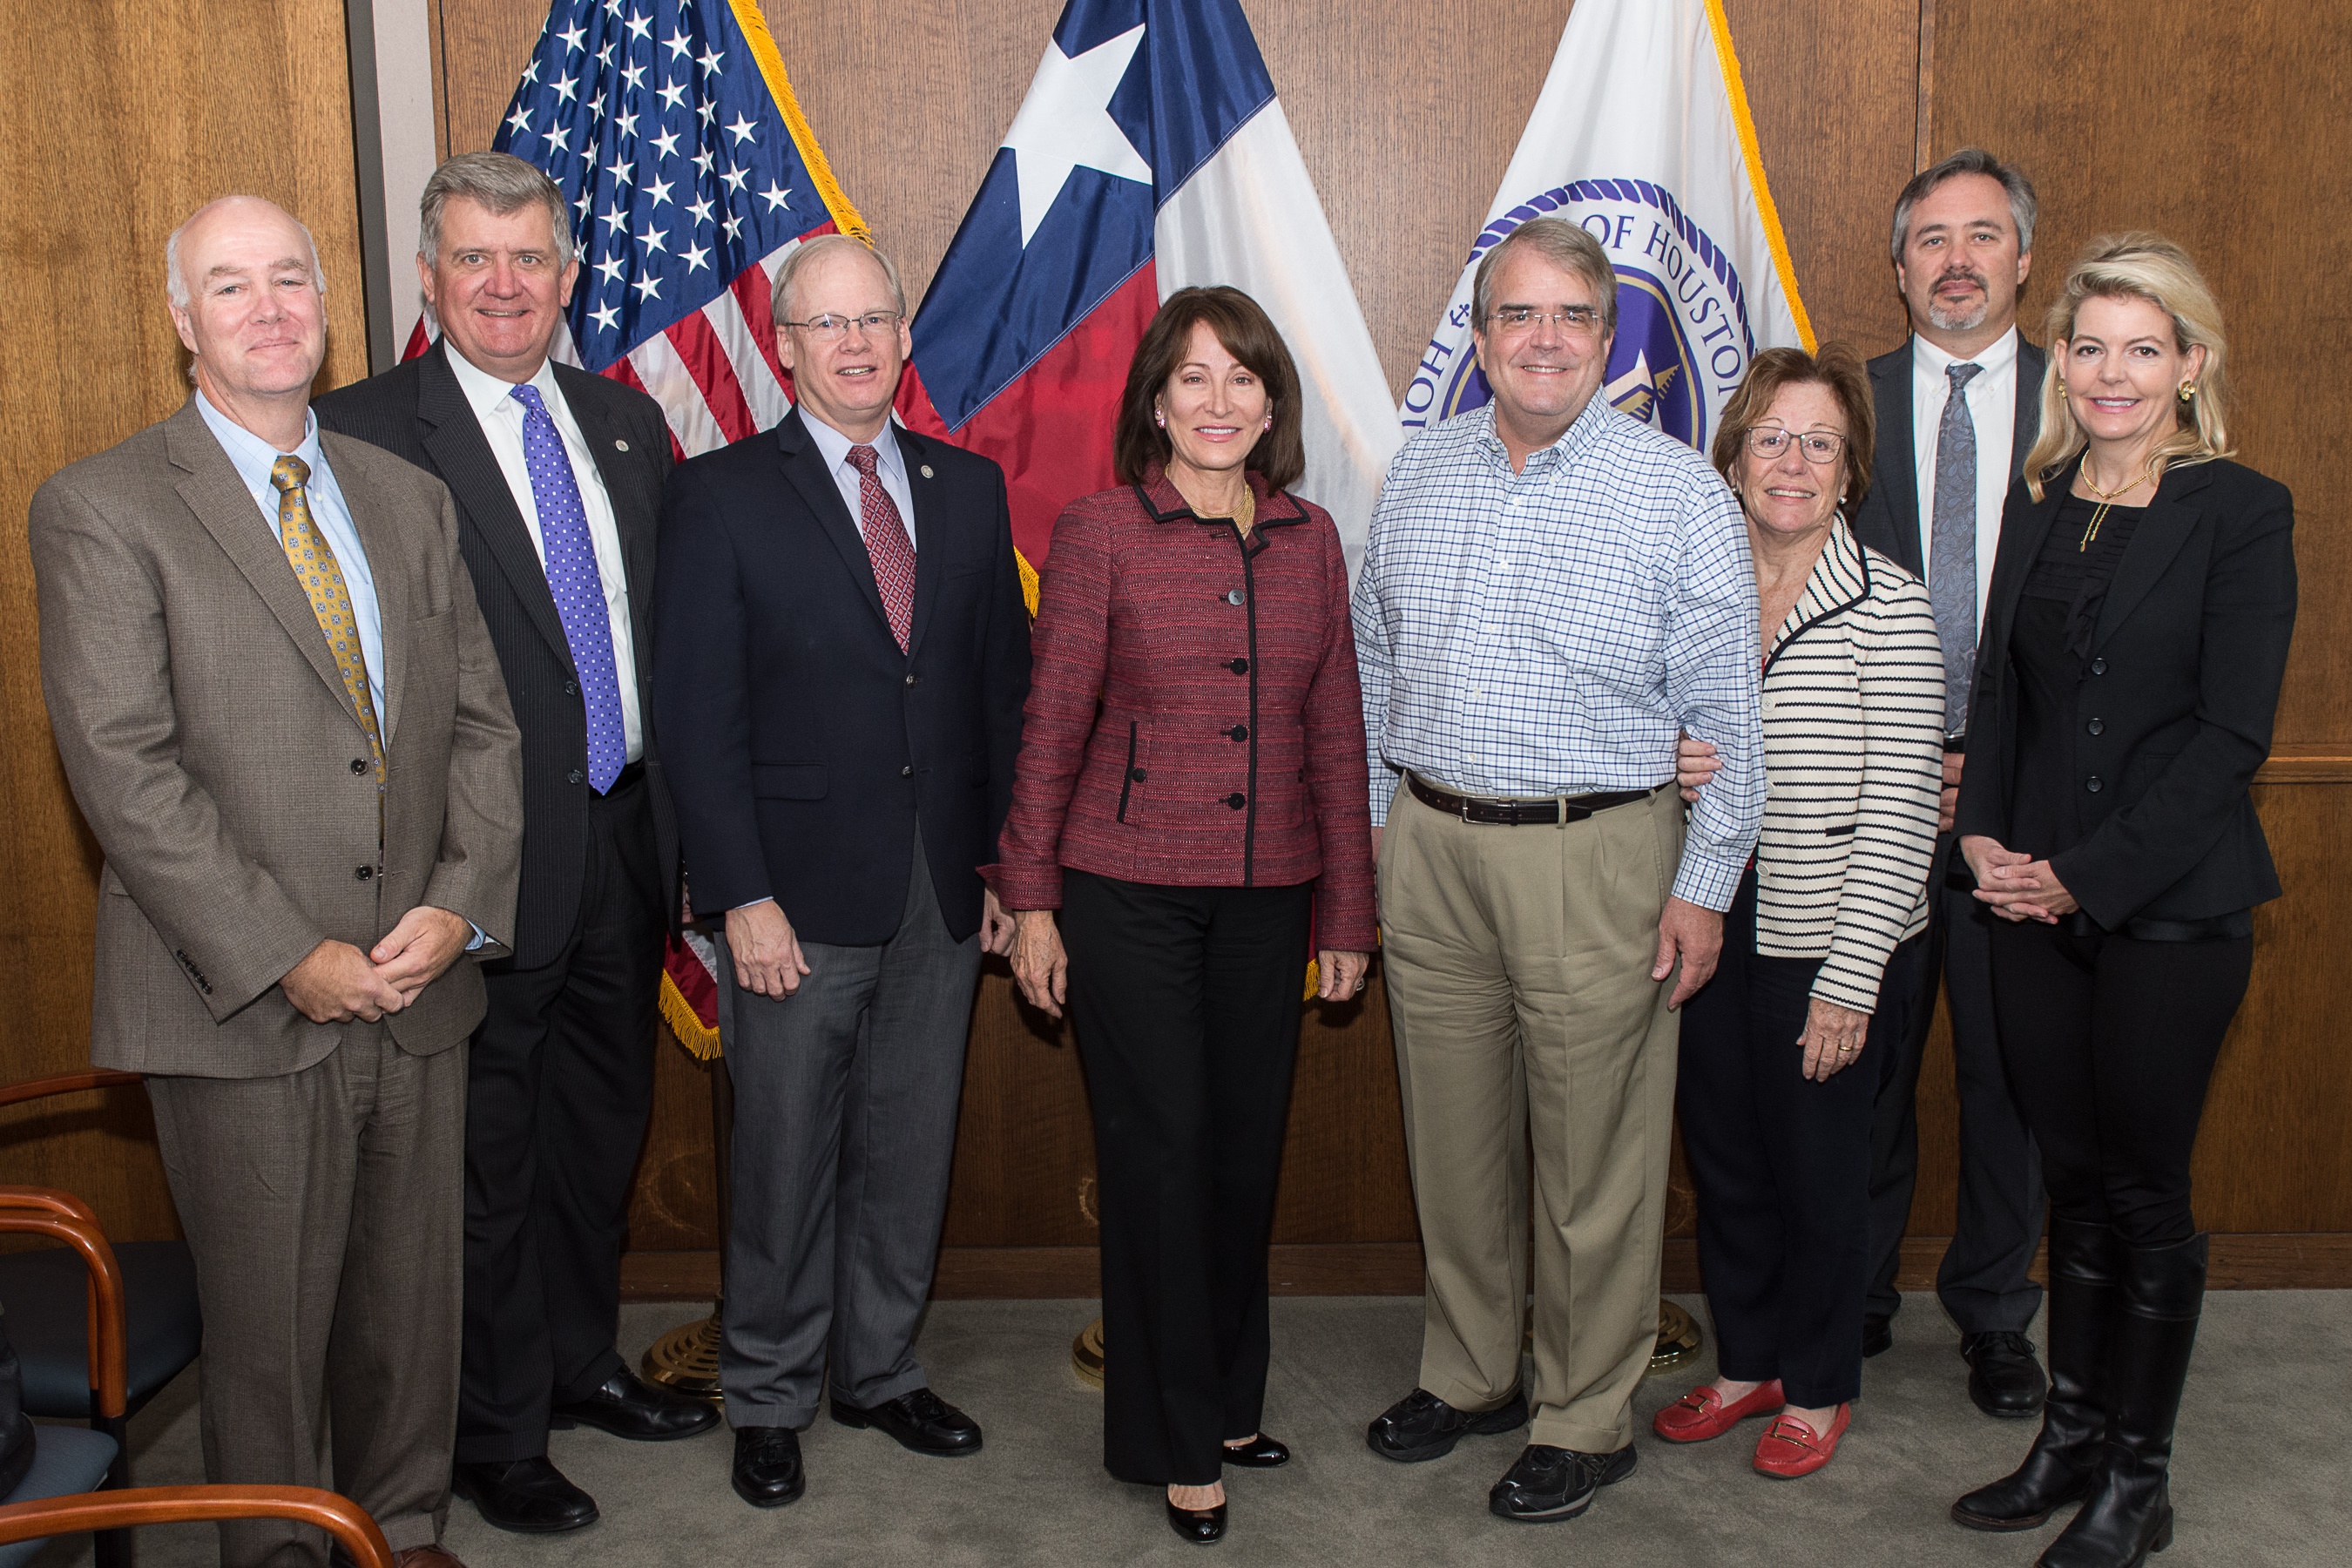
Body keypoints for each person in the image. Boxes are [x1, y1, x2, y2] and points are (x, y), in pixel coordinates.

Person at [30, 195, 524, 1568]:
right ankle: (281, 1555)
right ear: (182, 320)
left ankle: (404, 1533)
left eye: (291, 279)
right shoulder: (102, 507)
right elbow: (126, 775)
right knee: (266, 1335)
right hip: (242, 1004)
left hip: (421, 983)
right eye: (230, 286)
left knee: (408, 1317)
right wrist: (290, 950)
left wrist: (460, 902)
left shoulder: (408, 498)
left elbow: (485, 725)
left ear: (327, 305)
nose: (268, 308)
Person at [315, 151, 717, 1536]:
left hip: (622, 843)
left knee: (599, 1131)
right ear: (428, 276)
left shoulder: (622, 424)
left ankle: (576, 1362)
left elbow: (646, 633)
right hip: (468, 868)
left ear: (570, 276)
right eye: (474, 259)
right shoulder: (358, 432)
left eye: (529, 258)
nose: (504, 285)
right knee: (483, 1160)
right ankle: (493, 1432)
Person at [1352, 216, 1765, 1525]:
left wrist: (1704, 883)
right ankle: (1471, 1372)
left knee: (1596, 1156)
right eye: (1517, 316)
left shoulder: (1676, 490)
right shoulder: (1417, 474)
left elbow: (1727, 712)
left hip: (1598, 855)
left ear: (1607, 336)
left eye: (1571, 317)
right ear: (1478, 338)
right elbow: (1372, 663)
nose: (1542, 340)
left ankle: (1585, 1411)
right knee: (1455, 1137)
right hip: (1431, 847)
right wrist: (1379, 830)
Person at [651, 233, 1031, 1511]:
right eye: (828, 325)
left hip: (936, 886)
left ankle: (878, 1370)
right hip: (791, 900)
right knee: (781, 1156)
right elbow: (699, 721)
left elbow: (996, 694)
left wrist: (994, 866)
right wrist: (738, 894)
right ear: (783, 344)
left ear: (903, 337)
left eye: (876, 318)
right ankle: (766, 1393)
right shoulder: (716, 497)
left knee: (909, 1143)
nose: (856, 343)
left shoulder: (968, 490)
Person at [995, 287, 1376, 1544]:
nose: (1220, 403)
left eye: (1244, 381)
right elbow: (1050, 728)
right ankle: (1170, 1438)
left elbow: (1334, 731)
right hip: (1128, 894)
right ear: (1155, 402)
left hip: (1272, 899)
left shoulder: (1314, 539)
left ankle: (1221, 1403)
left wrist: (1347, 914)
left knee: (1239, 1157)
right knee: (1158, 1159)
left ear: (1274, 404)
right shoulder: (1103, 529)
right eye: (1195, 380)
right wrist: (1034, 900)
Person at [1948, 234, 2293, 1567]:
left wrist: (2083, 875)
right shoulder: (2042, 499)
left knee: (2144, 1197)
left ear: (2190, 365)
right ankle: (2071, 1443)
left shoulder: (2240, 509)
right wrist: (1983, 839)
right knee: (2072, 1191)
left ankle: (2135, 1487)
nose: (2110, 371)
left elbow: (2230, 738)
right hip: (2025, 900)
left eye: (2142, 348)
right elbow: (2001, 696)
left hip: (2170, 912)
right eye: (2089, 346)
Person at [1654, 346, 1944, 1478]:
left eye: (1819, 442)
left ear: (1850, 471)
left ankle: (1818, 1385)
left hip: (1829, 933)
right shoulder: (1695, 589)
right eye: (1771, 436)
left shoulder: (1891, 606)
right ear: (1731, 458)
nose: (1792, 461)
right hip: (1707, 911)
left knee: (1823, 1175)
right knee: (1725, 1160)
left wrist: (1849, 980)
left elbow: (1902, 809)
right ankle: (1749, 1361)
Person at [1851, 148, 2053, 1412]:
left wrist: (1991, 766)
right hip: (1871, 790)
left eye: (1985, 236)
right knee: (1859, 1053)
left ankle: (1993, 1311)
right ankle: (1856, 1292)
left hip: (2027, 807)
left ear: (2026, 258)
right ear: (1901, 262)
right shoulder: (1848, 404)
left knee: (2009, 1072)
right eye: (1933, 238)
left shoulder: (2088, 402)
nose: (1960, 260)